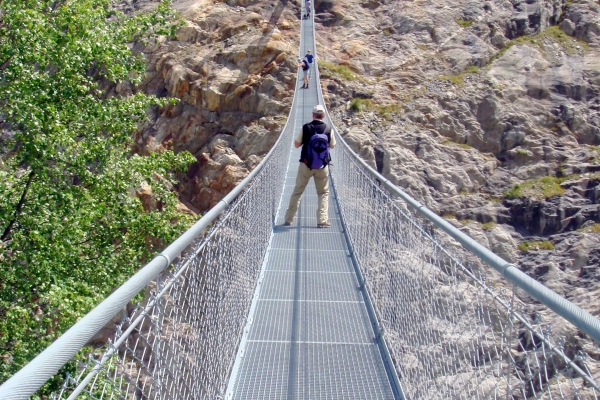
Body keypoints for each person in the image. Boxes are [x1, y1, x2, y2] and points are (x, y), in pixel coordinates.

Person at [284, 104, 336, 228]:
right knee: (323, 193)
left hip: (306, 165)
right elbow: (332, 145)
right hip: (322, 166)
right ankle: (322, 221)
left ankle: (288, 219)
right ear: (323, 116)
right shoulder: (329, 129)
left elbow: (296, 145)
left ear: (313, 115)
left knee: (298, 191)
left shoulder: (306, 127)